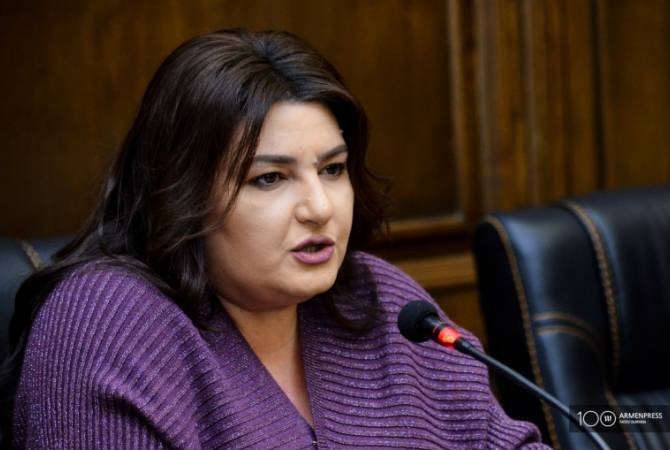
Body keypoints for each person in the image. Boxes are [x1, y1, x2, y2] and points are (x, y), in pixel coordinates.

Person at [0, 29, 551, 449]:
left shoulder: (382, 302)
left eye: (332, 170)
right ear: (181, 193)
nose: (319, 208)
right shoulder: (106, 321)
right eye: (270, 179)